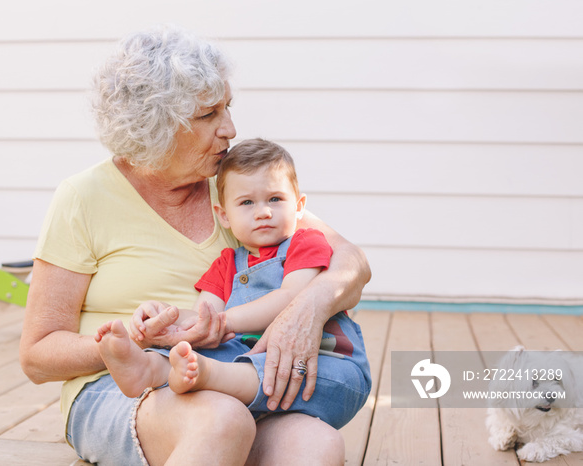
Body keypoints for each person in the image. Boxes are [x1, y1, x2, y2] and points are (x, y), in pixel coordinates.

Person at [19, 25, 371, 466]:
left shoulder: (236, 190)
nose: (230, 128)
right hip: (122, 385)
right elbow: (37, 355)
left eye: (227, 107)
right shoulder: (82, 198)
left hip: (234, 372)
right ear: (155, 126)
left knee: (317, 444)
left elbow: (350, 261)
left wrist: (305, 309)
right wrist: (137, 343)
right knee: (222, 420)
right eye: (209, 115)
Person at [95, 138, 370, 430]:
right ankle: (148, 368)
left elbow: (289, 298)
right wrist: (164, 315)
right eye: (247, 202)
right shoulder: (226, 264)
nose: (263, 211)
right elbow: (204, 318)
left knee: (258, 366)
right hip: (249, 363)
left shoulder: (305, 243)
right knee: (202, 352)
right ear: (224, 215)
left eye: (275, 199)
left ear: (299, 206)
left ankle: (208, 376)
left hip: (323, 364)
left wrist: (224, 322)